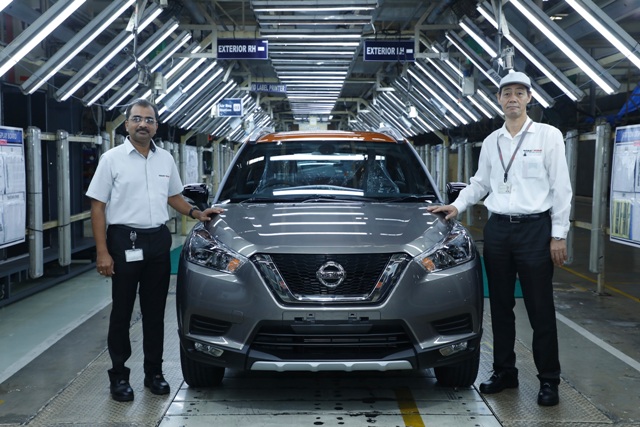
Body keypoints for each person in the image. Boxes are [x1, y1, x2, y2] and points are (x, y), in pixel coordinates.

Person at [428, 71, 572, 406]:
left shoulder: (548, 136)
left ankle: (549, 380)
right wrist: (457, 205)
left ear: (529, 98)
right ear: (499, 100)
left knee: (540, 308)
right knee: (500, 307)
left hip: (536, 231)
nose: (513, 98)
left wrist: (558, 235)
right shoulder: (492, 141)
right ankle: (505, 372)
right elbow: (480, 183)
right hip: (498, 231)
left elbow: (561, 188)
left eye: (519, 93)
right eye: (507, 93)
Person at [86, 98, 223, 402]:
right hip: (124, 240)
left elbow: (173, 197)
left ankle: (154, 373)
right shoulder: (111, 159)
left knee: (154, 312)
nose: (143, 124)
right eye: (137, 119)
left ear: (156, 126)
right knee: (121, 312)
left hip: (158, 241)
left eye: (148, 120)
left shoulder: (165, 160)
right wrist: (102, 252)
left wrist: (196, 213)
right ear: (127, 124)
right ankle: (119, 376)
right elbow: (97, 206)